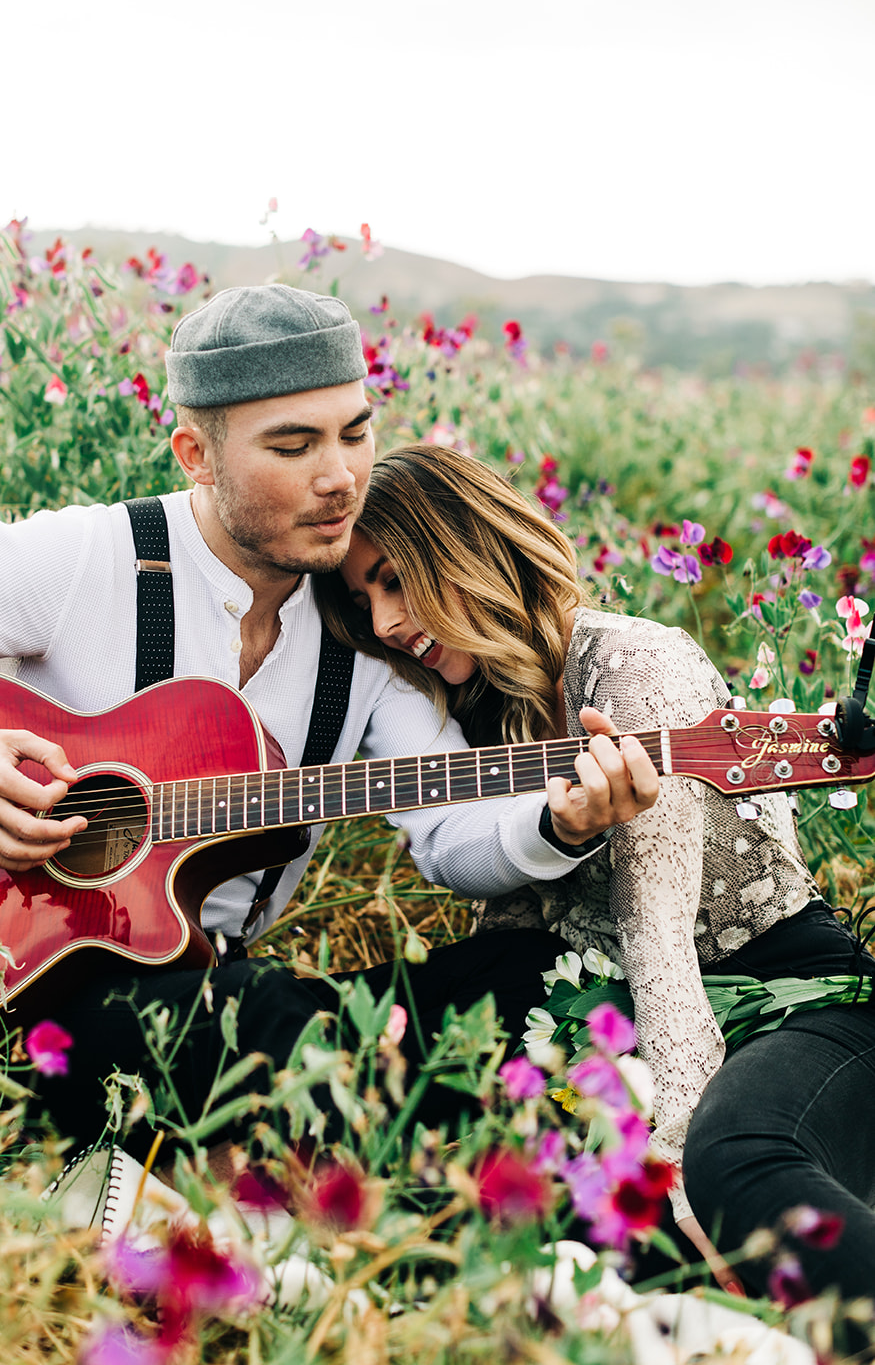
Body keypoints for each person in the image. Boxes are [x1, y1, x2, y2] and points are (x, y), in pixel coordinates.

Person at [0, 284, 658, 1173]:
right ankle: (402, 1166)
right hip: (16, 989)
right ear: (196, 455)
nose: (339, 477)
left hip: (208, 992)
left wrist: (559, 823)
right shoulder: (90, 558)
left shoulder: (359, 628)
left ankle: (339, 1150)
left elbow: (450, 835)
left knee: (526, 977)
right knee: (259, 1014)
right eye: (293, 446)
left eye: (354, 433)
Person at [318, 442, 875, 1305]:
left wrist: (669, 1151)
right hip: (601, 1006)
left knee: (734, 1164)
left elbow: (660, 950)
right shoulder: (462, 703)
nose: (385, 621)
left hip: (785, 997)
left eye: (395, 578)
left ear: (464, 544)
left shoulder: (629, 668)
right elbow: (510, 929)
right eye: (364, 601)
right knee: (382, 1061)